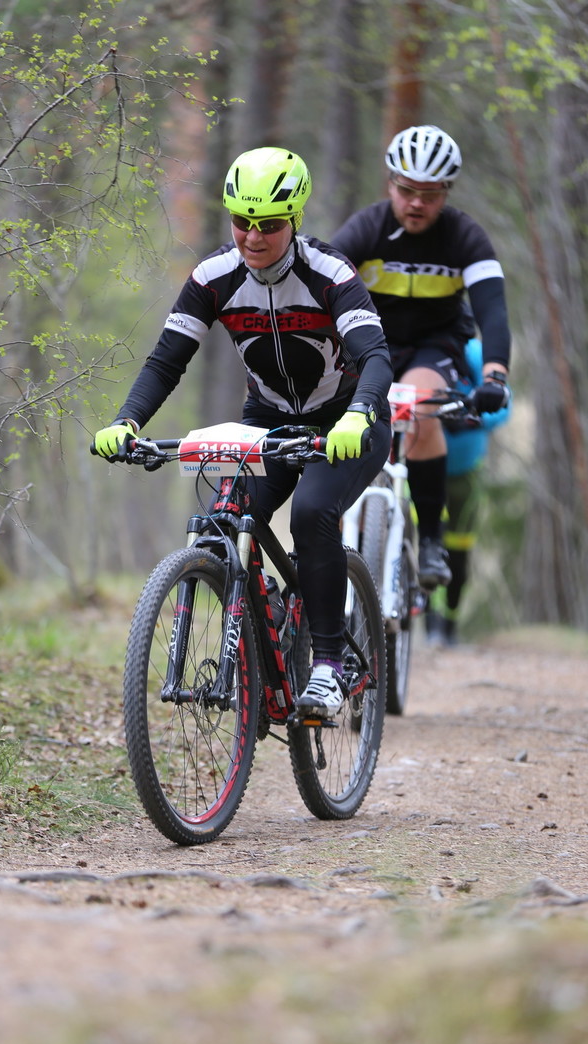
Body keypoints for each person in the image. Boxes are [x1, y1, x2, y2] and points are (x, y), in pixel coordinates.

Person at [91, 146, 392, 717]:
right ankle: (268, 620)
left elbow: (375, 355)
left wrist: (359, 414)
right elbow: (166, 360)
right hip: (270, 421)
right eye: (241, 222)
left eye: (269, 224)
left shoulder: (330, 274)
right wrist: (127, 420)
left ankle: (328, 665)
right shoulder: (214, 277)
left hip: (348, 421)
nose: (252, 237)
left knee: (310, 514)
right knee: (222, 520)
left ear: (295, 220)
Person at [330, 124, 511, 591]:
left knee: (423, 407)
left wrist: (494, 375)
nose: (416, 203)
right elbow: (320, 292)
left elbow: (493, 311)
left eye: (430, 195)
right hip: (370, 342)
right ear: (391, 183)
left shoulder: (464, 236)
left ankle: (430, 537)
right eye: (407, 190)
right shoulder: (366, 229)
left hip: (435, 343)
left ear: (446, 192)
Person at [426, 340, 512, 646]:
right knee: (426, 543)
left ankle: (449, 624)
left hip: (466, 471)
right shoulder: (420, 347)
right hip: (424, 469)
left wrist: (471, 420)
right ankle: (429, 625)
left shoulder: (475, 353)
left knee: (458, 552)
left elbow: (504, 408)